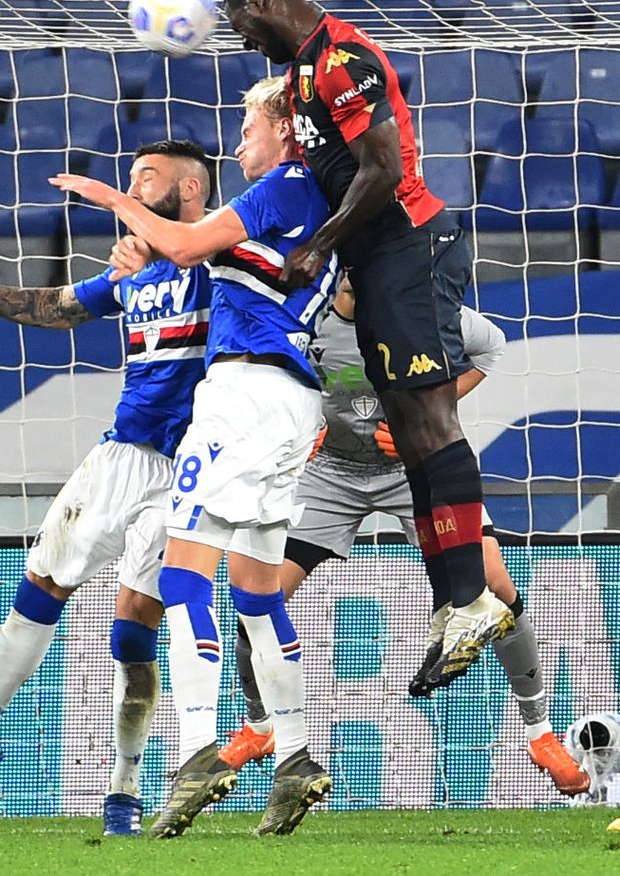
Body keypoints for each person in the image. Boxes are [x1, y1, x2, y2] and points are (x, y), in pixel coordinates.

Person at [51, 76, 340, 839]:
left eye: (249, 127)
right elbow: (191, 253)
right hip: (290, 400)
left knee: (181, 574)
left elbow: (183, 241)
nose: (239, 141)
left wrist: (115, 198)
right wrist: (141, 244)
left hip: (241, 392)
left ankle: (197, 754)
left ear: (288, 132)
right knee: (256, 590)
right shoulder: (318, 204)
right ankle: (299, 755)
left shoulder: (284, 186)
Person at [224, 0, 514, 690]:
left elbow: (382, 169)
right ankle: (458, 601)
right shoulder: (297, 76)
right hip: (374, 256)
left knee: (430, 420)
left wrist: (316, 248)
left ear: (263, 1)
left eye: (241, 24)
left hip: (410, 242)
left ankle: (469, 598)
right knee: (414, 436)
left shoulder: (342, 58)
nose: (245, 40)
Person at [220, 277, 590, 798]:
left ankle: (540, 731)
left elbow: (490, 346)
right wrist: (299, 425)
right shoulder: (305, 311)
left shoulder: (414, 303)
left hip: (412, 466)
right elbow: (259, 374)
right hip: (328, 473)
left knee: (493, 583)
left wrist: (422, 414)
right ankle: (261, 727)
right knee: (258, 596)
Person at [0, 139, 212, 836]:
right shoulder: (132, 276)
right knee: (38, 585)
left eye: (146, 177)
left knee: (132, 632)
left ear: (188, 191)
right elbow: (54, 306)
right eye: (128, 180)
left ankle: (124, 786)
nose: (132, 187)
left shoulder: (223, 258)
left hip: (185, 473)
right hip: (123, 456)